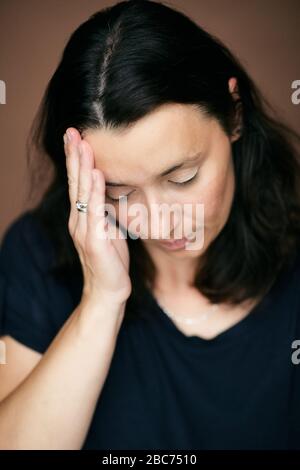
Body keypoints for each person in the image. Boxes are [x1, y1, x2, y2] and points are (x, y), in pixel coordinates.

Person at [0, 0, 300, 450]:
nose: (157, 220)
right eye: (118, 192)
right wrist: (101, 302)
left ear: (234, 115)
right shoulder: (37, 253)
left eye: (182, 177)